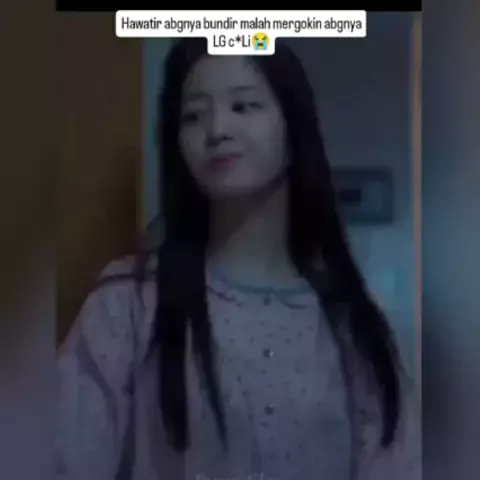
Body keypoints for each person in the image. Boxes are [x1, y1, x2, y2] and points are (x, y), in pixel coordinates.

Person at [56, 38, 420, 480]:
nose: (217, 130)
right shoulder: (127, 304)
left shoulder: (351, 320)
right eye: (194, 115)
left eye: (243, 106)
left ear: (293, 129)